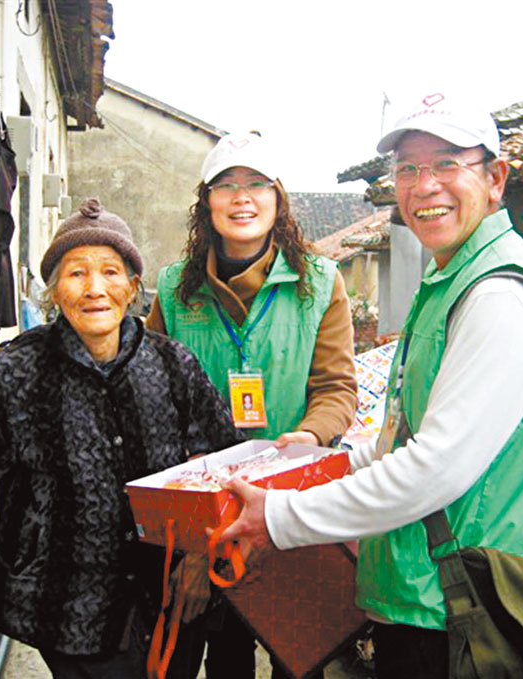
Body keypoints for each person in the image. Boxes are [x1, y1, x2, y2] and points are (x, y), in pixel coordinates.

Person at [218, 93, 523, 679]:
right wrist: (323, 459)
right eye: (407, 168)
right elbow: (405, 436)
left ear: (496, 178)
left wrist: (280, 516)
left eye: (446, 164)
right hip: (424, 594)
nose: (423, 185)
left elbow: (434, 467)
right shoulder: (451, 278)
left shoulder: (500, 295)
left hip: (464, 611)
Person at [0, 198, 242, 679]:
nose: (95, 288)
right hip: (65, 606)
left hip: (168, 600)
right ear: (55, 291)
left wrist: (199, 560)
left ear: (131, 288)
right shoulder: (19, 372)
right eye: (76, 273)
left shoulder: (173, 366)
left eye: (110, 272)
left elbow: (221, 465)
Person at [146, 131, 358, 679]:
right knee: (225, 655)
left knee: (299, 651)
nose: (242, 197)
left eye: (257, 184)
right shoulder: (174, 290)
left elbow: (337, 387)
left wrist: (309, 438)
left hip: (293, 501)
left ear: (278, 198)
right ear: (207, 202)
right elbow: (154, 402)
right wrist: (193, 536)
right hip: (203, 507)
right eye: (226, 185)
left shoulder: (319, 283)